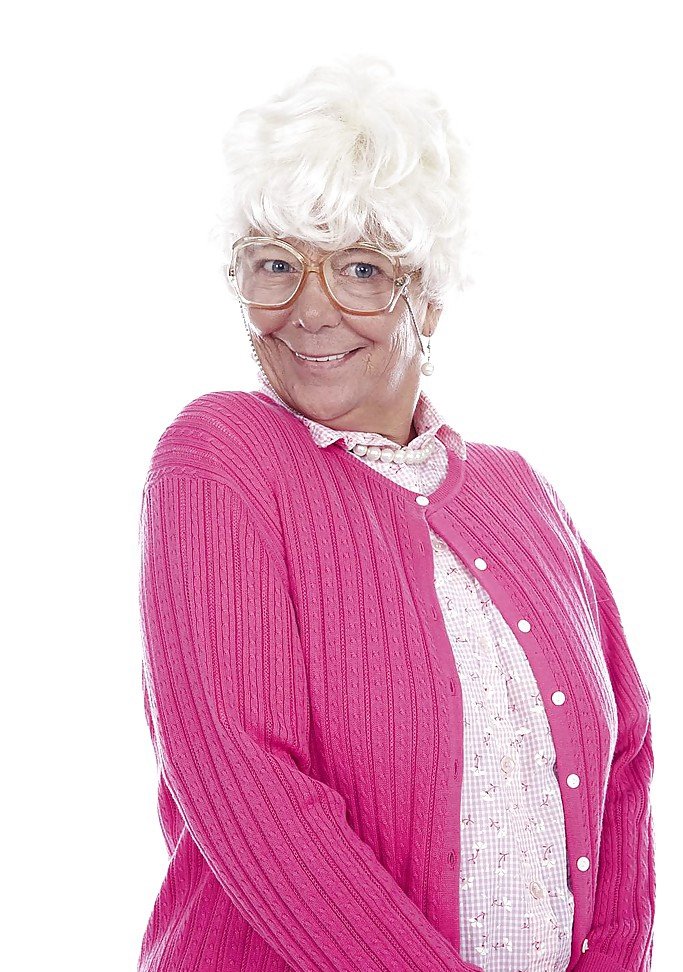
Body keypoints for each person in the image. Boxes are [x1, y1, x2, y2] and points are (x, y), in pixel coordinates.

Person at [137, 55, 655, 972]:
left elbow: (625, 760)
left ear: (430, 298)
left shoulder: (521, 493)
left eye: (361, 269)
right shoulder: (221, 456)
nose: (309, 310)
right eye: (275, 266)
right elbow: (244, 778)